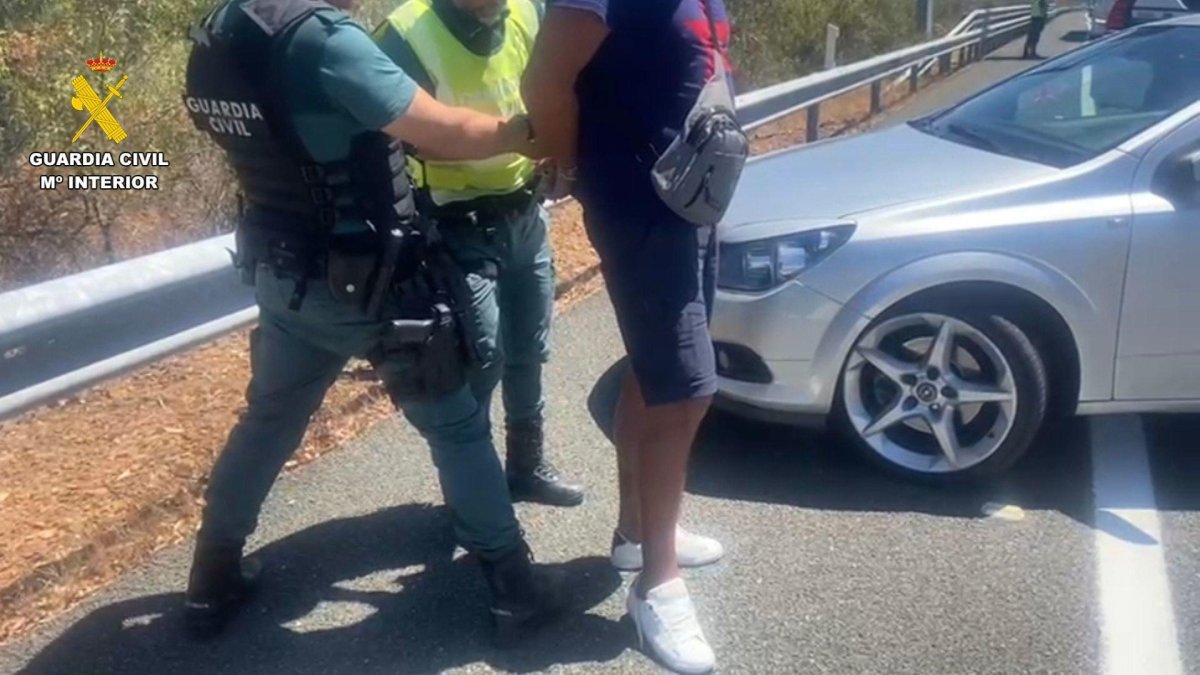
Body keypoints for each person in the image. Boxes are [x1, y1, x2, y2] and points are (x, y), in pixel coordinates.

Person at [181, 0, 565, 644]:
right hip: (372, 280)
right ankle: (513, 588)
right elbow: (436, 129)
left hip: (283, 273)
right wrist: (531, 132)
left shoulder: (217, 34)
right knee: (458, 426)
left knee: (267, 423)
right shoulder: (325, 42)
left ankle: (209, 578)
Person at [522, 0, 733, 671]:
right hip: (640, 203)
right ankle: (656, 585)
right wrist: (570, 167)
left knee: (658, 370)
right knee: (684, 390)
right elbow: (543, 82)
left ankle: (639, 533)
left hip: (694, 192)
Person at [372, 0, 585, 508]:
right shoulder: (405, 33)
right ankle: (475, 485)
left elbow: (555, 89)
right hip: (453, 222)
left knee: (530, 348)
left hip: (524, 212)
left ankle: (526, 466)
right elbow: (402, 135)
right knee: (479, 358)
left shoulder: (531, 11)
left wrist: (560, 151)